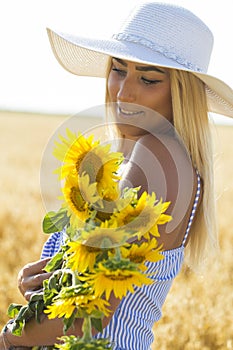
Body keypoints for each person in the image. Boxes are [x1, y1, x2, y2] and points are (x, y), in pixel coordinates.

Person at [1, 1, 233, 349]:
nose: (124, 91)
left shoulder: (157, 157)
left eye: (149, 78)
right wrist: (42, 288)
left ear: (181, 92)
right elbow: (87, 289)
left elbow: (89, 315)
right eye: (119, 69)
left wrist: (8, 339)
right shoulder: (154, 160)